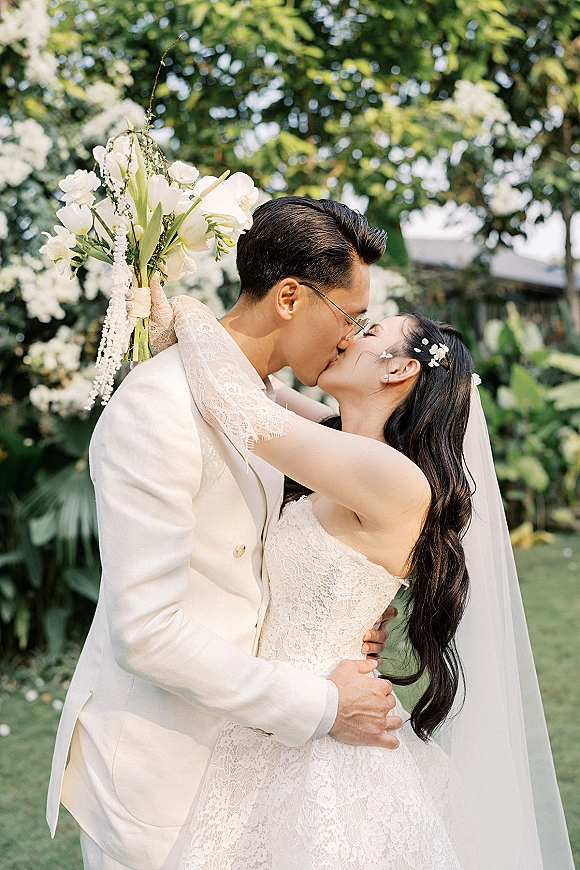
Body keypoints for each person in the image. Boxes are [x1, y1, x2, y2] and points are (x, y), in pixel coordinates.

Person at [147, 286, 575, 868]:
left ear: (399, 369)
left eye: (369, 334)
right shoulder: (343, 442)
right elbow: (257, 388)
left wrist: (191, 313)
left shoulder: (392, 477)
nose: (348, 335)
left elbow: (238, 406)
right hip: (280, 713)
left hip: (327, 732)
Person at [47, 198, 404, 870]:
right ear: (291, 297)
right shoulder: (159, 408)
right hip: (161, 762)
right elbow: (145, 632)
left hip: (249, 752)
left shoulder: (261, 401)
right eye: (348, 317)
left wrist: (336, 613)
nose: (349, 339)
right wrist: (322, 704)